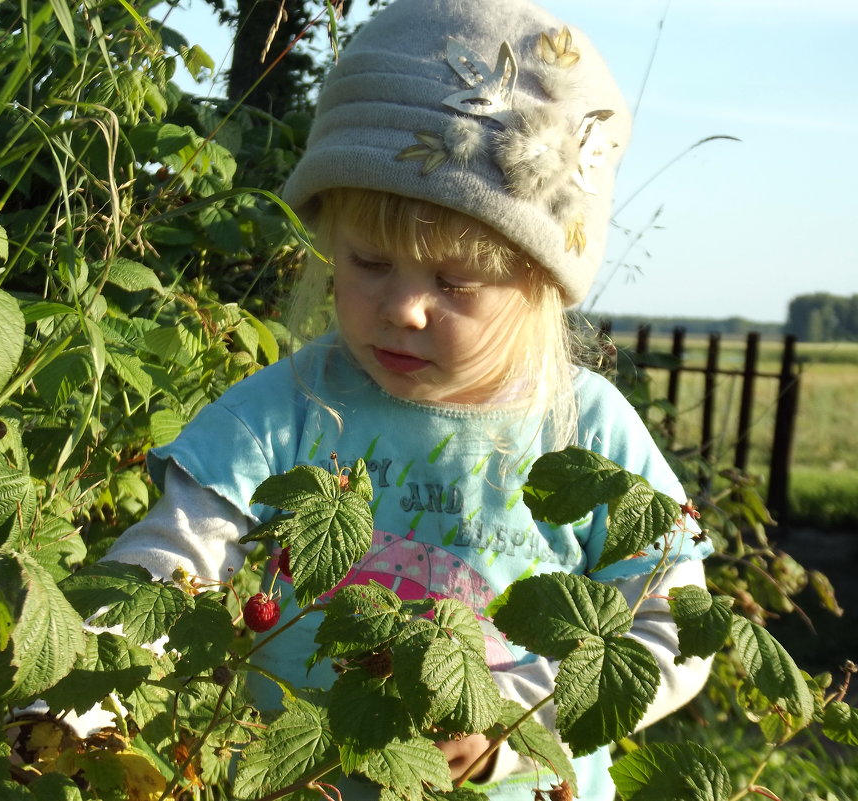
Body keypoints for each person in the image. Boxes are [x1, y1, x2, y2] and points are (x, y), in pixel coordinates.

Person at [106, 0, 715, 798]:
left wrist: (511, 722)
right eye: (367, 262)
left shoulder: (588, 432)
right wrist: (82, 694)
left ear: (539, 284)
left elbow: (674, 627)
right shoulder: (288, 409)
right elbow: (169, 560)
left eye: (455, 282)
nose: (403, 308)